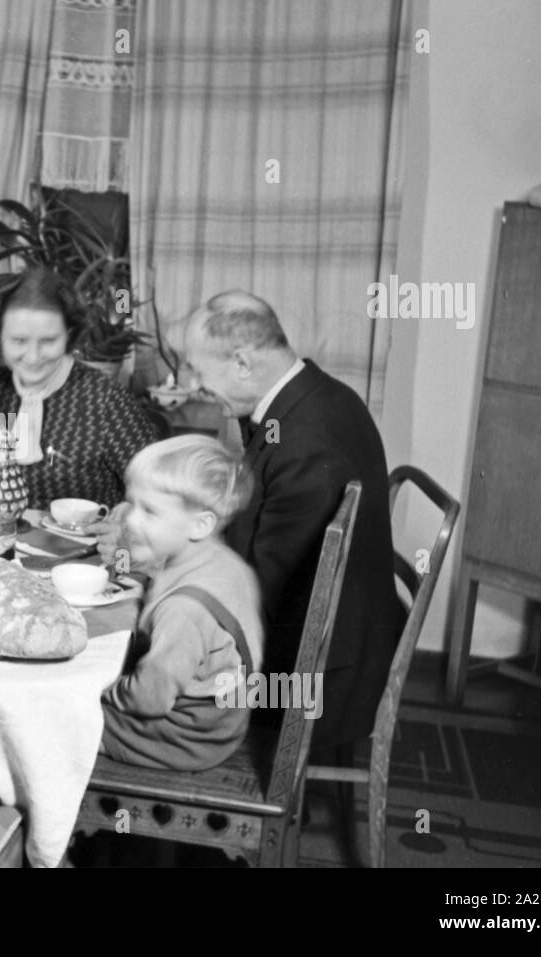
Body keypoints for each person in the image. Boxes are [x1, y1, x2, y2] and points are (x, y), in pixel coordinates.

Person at [95, 291, 403, 751]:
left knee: (116, 669)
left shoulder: (307, 444)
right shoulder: (312, 399)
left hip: (310, 681)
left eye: (197, 368)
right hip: (334, 647)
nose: (190, 382)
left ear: (241, 362)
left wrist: (152, 559)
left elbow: (260, 593)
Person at [100, 436, 264, 771]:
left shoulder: (184, 611)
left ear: (201, 524)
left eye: (150, 511)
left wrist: (101, 691)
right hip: (220, 722)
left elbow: (150, 698)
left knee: (55, 718)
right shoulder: (223, 562)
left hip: (184, 737)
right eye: (132, 504)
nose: (132, 520)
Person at [0, 266, 157, 511]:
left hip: (87, 547)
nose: (32, 356)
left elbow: (157, 490)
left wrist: (123, 518)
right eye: (18, 340)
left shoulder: (105, 400)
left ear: (69, 335)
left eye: (48, 341)